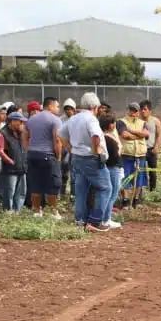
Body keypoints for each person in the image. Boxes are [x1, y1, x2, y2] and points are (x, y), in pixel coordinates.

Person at [59, 92, 112, 232]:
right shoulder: (91, 119)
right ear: (94, 106)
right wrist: (96, 151)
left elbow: (60, 134)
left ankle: (80, 220)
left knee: (81, 190)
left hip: (77, 158)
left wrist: (70, 149)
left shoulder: (73, 119)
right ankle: (95, 221)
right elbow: (95, 135)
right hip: (90, 159)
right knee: (105, 188)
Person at [24, 96, 64, 219]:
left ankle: (37, 211)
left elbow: (25, 136)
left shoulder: (31, 119)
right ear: (50, 106)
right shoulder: (55, 120)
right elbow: (56, 139)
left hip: (32, 155)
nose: (58, 109)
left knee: (35, 183)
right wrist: (58, 156)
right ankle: (53, 211)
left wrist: (28, 150)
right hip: (48, 155)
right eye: (57, 106)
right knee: (53, 184)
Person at [117, 102, 149, 209]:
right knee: (125, 177)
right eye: (131, 110)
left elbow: (146, 134)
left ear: (138, 112)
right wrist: (138, 135)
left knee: (140, 178)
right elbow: (125, 135)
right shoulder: (121, 122)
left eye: (135, 110)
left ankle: (136, 200)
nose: (133, 112)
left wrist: (131, 131)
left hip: (140, 155)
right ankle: (125, 200)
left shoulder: (142, 122)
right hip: (126, 154)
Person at [0, 111, 29, 212]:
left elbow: (26, 146)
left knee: (21, 192)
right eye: (20, 121)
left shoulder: (20, 132)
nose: (22, 124)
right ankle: (8, 211)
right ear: (13, 121)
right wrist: (10, 161)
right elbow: (0, 150)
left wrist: (24, 133)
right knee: (10, 192)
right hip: (10, 169)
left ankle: (17, 211)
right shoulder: (3, 133)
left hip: (22, 167)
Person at [98, 115, 124, 228]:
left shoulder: (101, 137)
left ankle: (103, 218)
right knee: (112, 194)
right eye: (113, 123)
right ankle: (106, 219)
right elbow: (114, 156)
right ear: (110, 125)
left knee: (107, 193)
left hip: (105, 167)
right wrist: (119, 150)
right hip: (113, 168)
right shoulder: (110, 139)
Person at [139, 100, 161, 195]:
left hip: (151, 149)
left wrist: (156, 147)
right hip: (141, 150)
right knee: (141, 172)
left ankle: (153, 190)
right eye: (141, 109)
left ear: (150, 111)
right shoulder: (138, 121)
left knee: (153, 171)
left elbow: (159, 135)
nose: (143, 111)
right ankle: (139, 192)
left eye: (145, 109)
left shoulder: (155, 121)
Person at [59, 98, 76, 197]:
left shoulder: (77, 119)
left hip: (75, 148)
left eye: (70, 108)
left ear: (74, 109)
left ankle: (74, 195)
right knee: (64, 171)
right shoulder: (61, 120)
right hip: (65, 147)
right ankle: (62, 193)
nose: (68, 111)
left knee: (74, 174)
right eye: (66, 109)